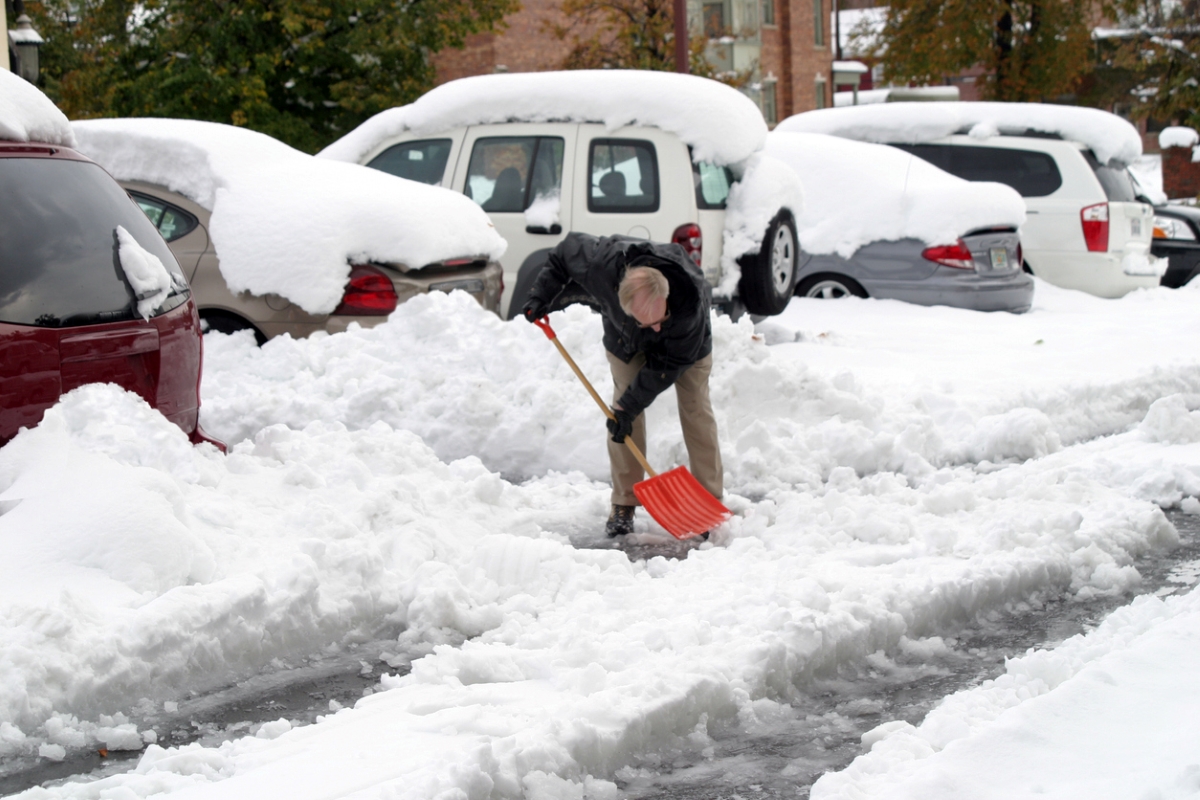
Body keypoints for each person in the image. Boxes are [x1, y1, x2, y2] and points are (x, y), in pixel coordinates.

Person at [522, 233, 723, 537]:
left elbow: (664, 369)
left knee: (695, 408)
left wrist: (631, 405)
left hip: (685, 349)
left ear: (666, 297)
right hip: (624, 340)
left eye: (659, 318)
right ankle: (624, 502)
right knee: (622, 418)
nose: (655, 327)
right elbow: (563, 252)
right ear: (622, 299)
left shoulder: (686, 304)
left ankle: (708, 498)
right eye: (646, 321)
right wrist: (540, 295)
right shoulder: (600, 264)